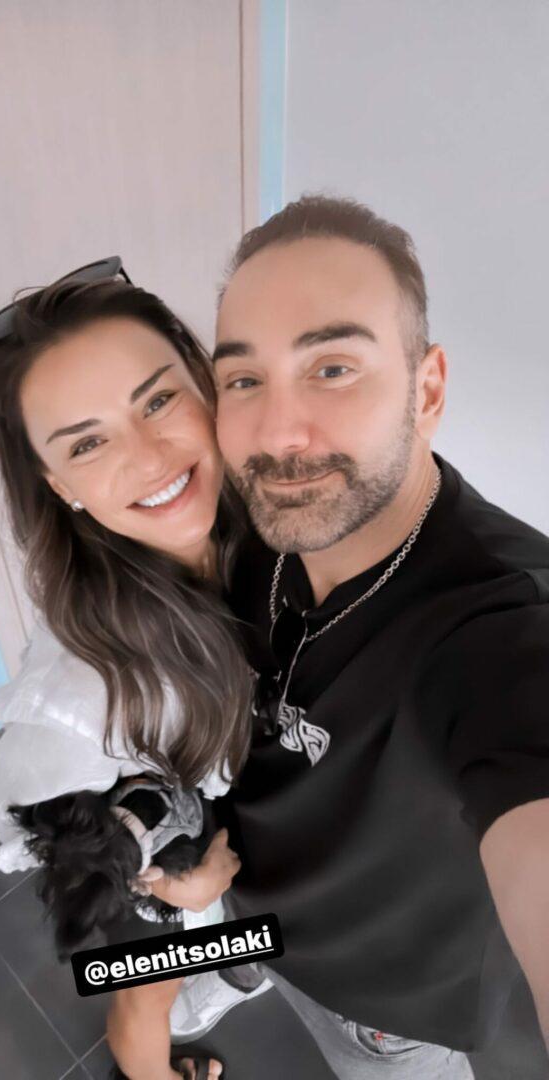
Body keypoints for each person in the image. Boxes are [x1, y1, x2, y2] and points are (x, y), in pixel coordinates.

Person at [208, 195, 549, 1078]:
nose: (278, 434)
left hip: (377, 1007)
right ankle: (231, 974)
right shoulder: (254, 525)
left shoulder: (502, 615)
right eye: (243, 380)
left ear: (426, 389)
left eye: (332, 368)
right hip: (245, 905)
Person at [0, 263, 269, 1080]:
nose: (148, 457)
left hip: (216, 832)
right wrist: (163, 887)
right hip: (145, 862)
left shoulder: (259, 521)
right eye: (88, 442)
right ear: (59, 485)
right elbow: (59, 849)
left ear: (204, 383)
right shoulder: (85, 686)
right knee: (146, 995)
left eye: (158, 400)